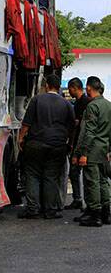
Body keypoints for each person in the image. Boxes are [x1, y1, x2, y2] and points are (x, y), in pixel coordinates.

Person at [17, 74, 75, 219]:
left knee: (33, 175)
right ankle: (50, 210)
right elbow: (72, 127)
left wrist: (20, 139)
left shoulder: (36, 100)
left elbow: (26, 124)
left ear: (47, 85)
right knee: (51, 176)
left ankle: (33, 209)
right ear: (58, 86)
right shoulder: (66, 104)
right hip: (58, 145)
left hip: (36, 143)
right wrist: (70, 143)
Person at [73, 76, 111, 227]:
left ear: (88, 88)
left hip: (92, 150)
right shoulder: (108, 105)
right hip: (103, 149)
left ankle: (94, 214)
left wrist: (82, 153)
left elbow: (88, 132)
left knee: (91, 182)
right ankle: (106, 213)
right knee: (103, 181)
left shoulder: (92, 106)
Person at [65, 77, 89, 210]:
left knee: (80, 172)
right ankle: (78, 199)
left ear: (75, 88)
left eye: (70, 89)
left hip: (81, 143)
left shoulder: (84, 103)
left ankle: (82, 200)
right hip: (79, 142)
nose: (69, 92)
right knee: (75, 172)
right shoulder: (79, 102)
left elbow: (78, 126)